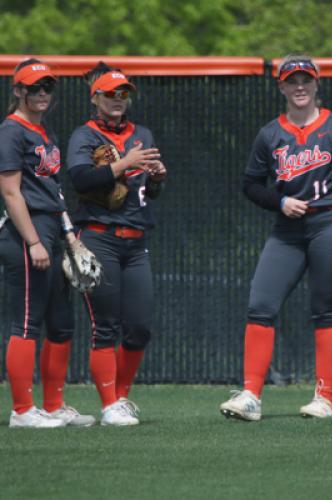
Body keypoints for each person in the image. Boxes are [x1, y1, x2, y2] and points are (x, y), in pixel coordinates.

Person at [220, 54, 332, 420]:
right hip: (288, 230)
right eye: (292, 81)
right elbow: (250, 185)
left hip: (331, 224)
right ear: (281, 87)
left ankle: (324, 398)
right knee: (261, 303)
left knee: (325, 310)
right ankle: (250, 397)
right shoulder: (270, 134)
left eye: (306, 79)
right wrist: (280, 201)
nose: (300, 86)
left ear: (317, 83)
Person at [66, 62, 166, 426]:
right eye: (110, 93)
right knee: (105, 325)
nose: (118, 99)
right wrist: (124, 164)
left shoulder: (143, 134)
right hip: (99, 236)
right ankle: (109, 403)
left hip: (136, 242)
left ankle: (120, 399)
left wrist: (156, 179)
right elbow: (79, 178)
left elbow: (149, 194)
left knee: (139, 327)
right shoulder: (85, 135)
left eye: (124, 93)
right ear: (96, 98)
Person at [0, 58, 96, 428]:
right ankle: (22, 411)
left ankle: (53, 405)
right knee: (27, 322)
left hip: (53, 231)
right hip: (27, 234)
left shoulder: (44, 133)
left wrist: (69, 235)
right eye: (34, 87)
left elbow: (53, 191)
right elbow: (11, 192)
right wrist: (34, 241)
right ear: (18, 91)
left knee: (61, 322)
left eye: (47, 88)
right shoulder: (11, 130)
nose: (42, 94)